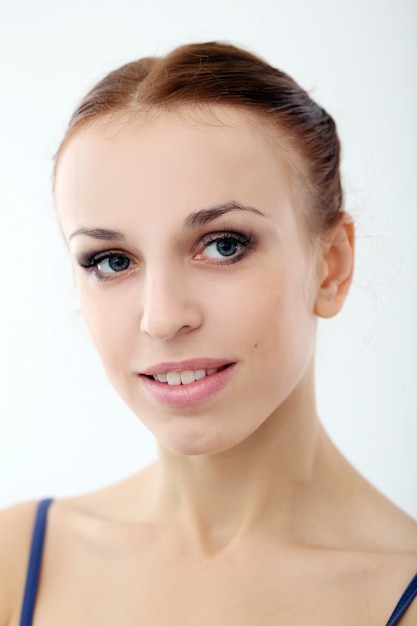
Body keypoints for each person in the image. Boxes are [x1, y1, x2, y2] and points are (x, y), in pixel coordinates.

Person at [0, 41, 416, 626]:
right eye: (112, 261)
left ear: (332, 266)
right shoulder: (15, 564)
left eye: (224, 245)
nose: (163, 318)